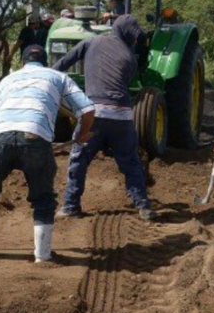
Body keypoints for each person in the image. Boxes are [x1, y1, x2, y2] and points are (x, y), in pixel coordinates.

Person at [0, 45, 94, 263]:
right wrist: (81, 134)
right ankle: (42, 256)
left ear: (22, 62)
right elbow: (87, 110)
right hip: (35, 136)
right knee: (43, 197)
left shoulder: (7, 80)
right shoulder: (57, 77)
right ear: (45, 62)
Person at [53, 15, 157, 221]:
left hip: (94, 115)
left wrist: (45, 79)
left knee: (79, 159)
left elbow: (63, 63)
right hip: (123, 116)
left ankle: (71, 206)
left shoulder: (91, 41)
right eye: (134, 37)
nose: (135, 41)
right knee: (131, 162)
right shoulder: (130, 58)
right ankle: (143, 205)